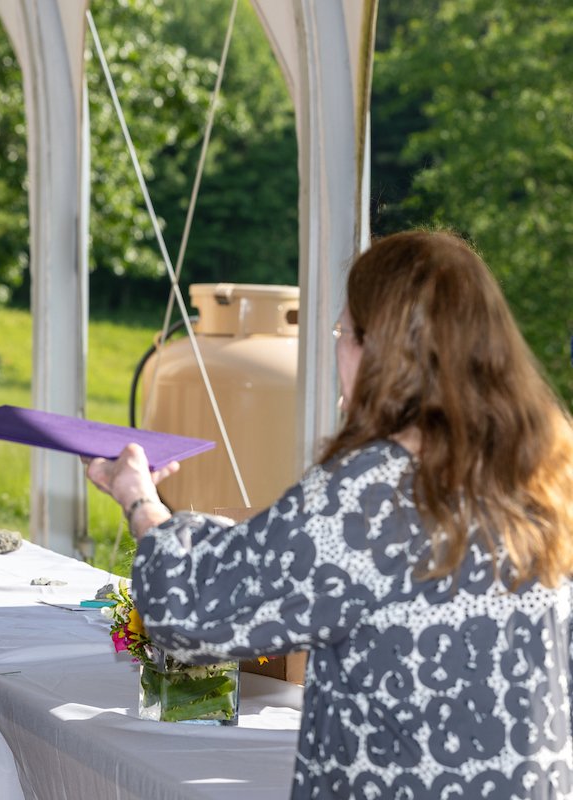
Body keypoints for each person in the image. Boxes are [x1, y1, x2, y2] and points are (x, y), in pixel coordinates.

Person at [88, 231, 573, 799]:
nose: (338, 349)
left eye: (344, 333)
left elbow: (192, 610)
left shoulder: (370, 493)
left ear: (381, 351)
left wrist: (140, 499)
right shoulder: (549, 473)